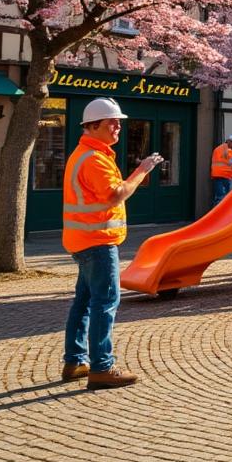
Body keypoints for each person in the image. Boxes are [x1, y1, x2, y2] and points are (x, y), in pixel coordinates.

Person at [62, 97, 163, 390]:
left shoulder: (88, 154)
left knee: (83, 303)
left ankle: (75, 361)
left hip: (83, 240)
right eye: (112, 122)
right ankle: (102, 368)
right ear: (93, 126)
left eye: (119, 121)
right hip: (97, 242)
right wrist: (142, 170)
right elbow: (116, 194)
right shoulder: (93, 159)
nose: (118, 126)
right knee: (105, 303)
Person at [210, 134, 232, 207]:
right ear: (229, 141)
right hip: (226, 175)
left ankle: (215, 212)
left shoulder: (217, 149)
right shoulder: (229, 150)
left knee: (218, 195)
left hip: (216, 175)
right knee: (227, 197)